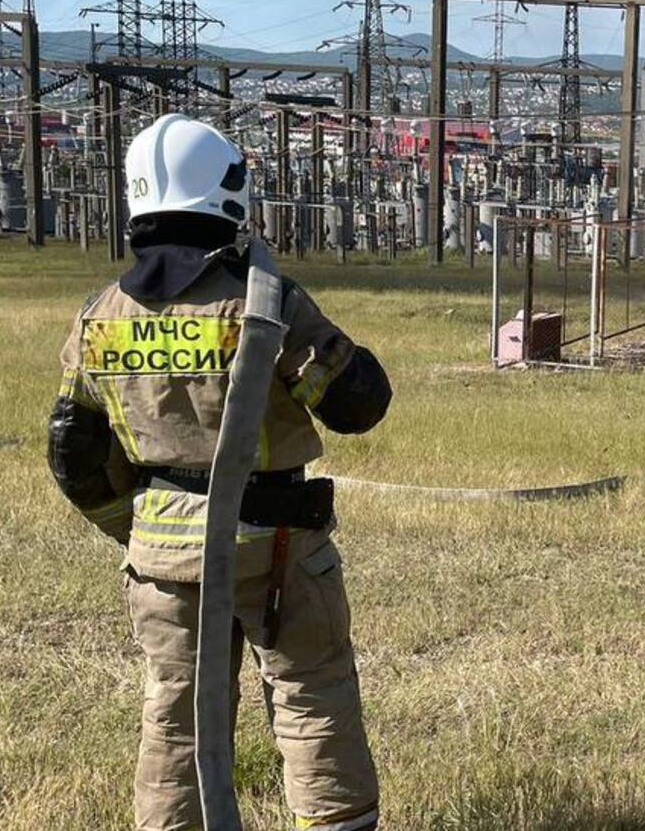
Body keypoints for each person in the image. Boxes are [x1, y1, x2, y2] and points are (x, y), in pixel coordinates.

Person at [46, 114, 392, 831]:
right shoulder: (266, 303)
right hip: (277, 549)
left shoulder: (98, 317)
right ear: (227, 193)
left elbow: (73, 454)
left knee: (174, 718)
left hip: (162, 554)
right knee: (311, 694)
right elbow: (357, 406)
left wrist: (136, 529)